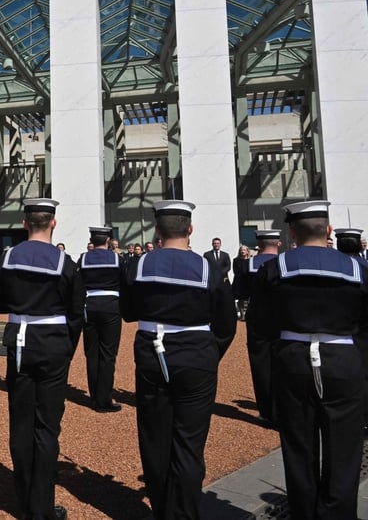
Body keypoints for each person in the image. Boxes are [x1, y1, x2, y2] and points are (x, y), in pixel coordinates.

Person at [248, 202, 368, 519]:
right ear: (328, 231)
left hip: (293, 361)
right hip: (343, 360)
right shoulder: (357, 269)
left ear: (291, 233)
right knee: (344, 452)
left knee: (299, 450)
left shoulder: (273, 269)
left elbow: (259, 324)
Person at [121, 201, 236, 520]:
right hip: (196, 358)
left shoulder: (138, 265)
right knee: (189, 444)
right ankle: (184, 513)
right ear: (190, 229)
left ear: (157, 230)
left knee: (154, 439)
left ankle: (161, 509)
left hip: (151, 357)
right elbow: (226, 324)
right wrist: (209, 355)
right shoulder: (209, 269)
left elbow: (128, 312)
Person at [0, 199, 85, 520]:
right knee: (47, 428)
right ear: (53, 223)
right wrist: (66, 348)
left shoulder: (9, 257)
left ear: (24, 222)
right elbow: (76, 313)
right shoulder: (66, 262)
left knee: (20, 423)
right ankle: (41, 508)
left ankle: (24, 498)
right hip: (53, 346)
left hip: (19, 344)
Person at [234, 229, 282, 425]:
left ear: (258, 245)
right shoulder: (286, 262)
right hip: (283, 317)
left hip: (258, 317)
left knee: (261, 364)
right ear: (278, 243)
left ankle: (266, 411)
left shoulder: (248, 265)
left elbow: (238, 292)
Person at [79, 225, 127, 413]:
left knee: (91, 353)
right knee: (108, 354)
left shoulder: (83, 258)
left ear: (92, 241)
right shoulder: (117, 258)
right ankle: (104, 398)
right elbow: (125, 282)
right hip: (111, 306)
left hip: (89, 306)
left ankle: (94, 396)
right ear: (108, 241)